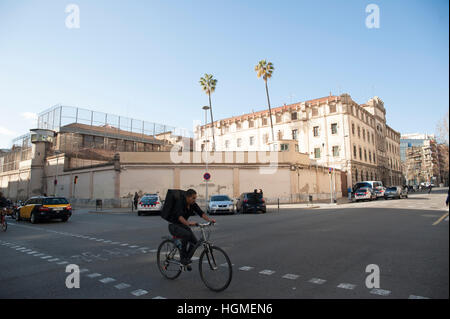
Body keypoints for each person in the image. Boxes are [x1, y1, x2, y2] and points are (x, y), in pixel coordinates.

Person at [167, 189, 215, 270]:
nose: (194, 200)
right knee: (186, 235)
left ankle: (187, 259)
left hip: (182, 225)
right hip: (173, 225)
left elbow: (201, 213)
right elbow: (179, 217)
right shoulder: (180, 203)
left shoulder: (193, 204)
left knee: (194, 242)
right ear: (188, 197)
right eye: (193, 198)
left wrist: (209, 220)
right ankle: (183, 259)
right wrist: (188, 223)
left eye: (195, 198)